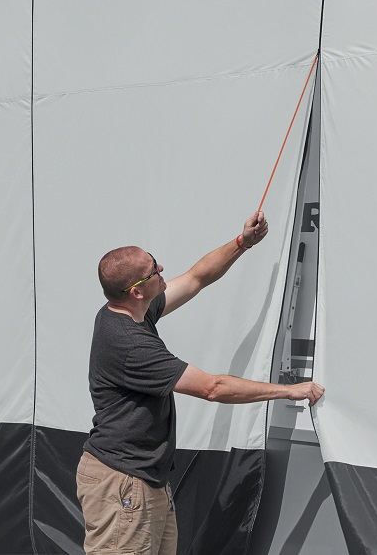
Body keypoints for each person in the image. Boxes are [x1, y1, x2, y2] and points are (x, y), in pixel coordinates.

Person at [76, 211, 325, 555]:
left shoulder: (132, 311)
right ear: (136, 291)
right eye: (154, 269)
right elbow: (213, 388)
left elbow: (197, 277)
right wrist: (288, 390)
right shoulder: (130, 344)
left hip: (144, 479)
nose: (162, 269)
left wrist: (242, 243)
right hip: (123, 483)